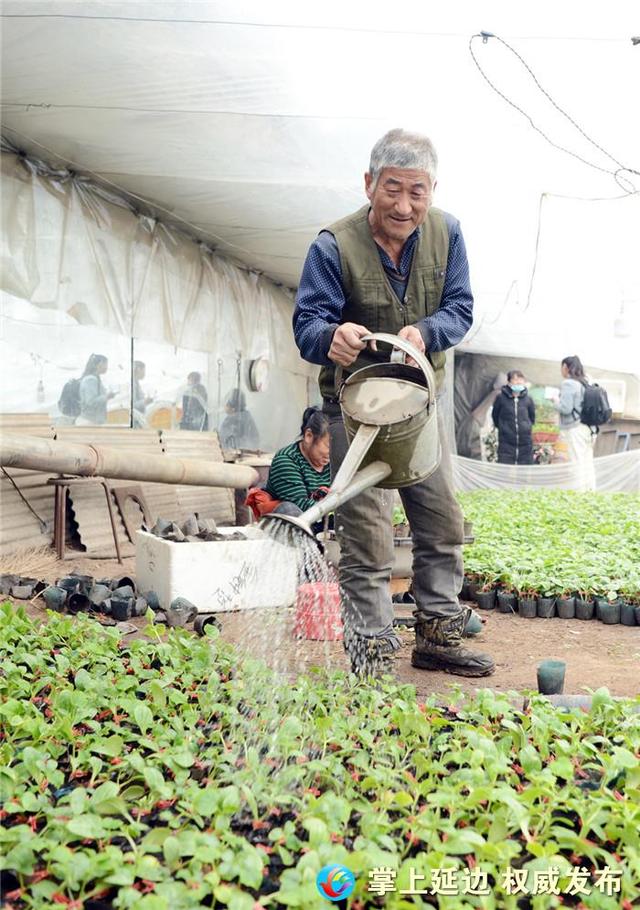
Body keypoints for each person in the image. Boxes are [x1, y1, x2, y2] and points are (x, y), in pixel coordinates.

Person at [293, 127, 494, 678]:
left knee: (441, 523)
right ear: (369, 184)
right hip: (353, 412)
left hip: (418, 406)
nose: (404, 205)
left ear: (432, 190)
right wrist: (330, 337)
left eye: (417, 192)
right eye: (392, 189)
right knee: (367, 536)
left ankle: (438, 638)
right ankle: (371, 655)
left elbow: (459, 308)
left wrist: (425, 333)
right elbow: (307, 326)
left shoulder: (448, 234)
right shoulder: (333, 245)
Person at [553, 355, 595, 489]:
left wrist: (555, 401)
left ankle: (578, 493)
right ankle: (589, 490)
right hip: (588, 428)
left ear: (565, 367)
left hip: (575, 428)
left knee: (576, 462)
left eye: (562, 367)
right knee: (587, 462)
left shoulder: (569, 383)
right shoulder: (585, 382)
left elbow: (566, 409)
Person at [491, 370, 536, 464]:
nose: (519, 382)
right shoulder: (501, 398)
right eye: (515, 380)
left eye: (521, 380)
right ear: (509, 382)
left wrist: (526, 427)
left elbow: (532, 417)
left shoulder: (528, 399)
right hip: (506, 441)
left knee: (524, 469)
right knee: (505, 468)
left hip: (525, 441)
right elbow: (495, 415)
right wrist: (503, 427)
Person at [76, 353, 115, 425]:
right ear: (99, 364)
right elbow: (91, 402)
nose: (107, 367)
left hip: (93, 420)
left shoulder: (95, 378)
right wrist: (107, 396)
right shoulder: (91, 380)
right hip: (90, 421)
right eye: (105, 364)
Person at [132, 360, 153, 428]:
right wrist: (144, 402)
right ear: (138, 369)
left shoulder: (136, 383)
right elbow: (132, 405)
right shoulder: (133, 384)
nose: (144, 373)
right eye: (144, 370)